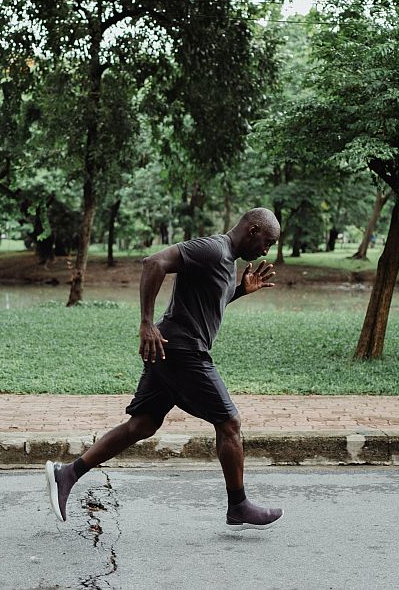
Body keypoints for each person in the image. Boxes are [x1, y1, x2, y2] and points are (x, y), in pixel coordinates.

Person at [45, 208, 284, 530]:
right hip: (182, 350)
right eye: (267, 242)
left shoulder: (227, 261)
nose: (266, 251)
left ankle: (68, 473)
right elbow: (153, 262)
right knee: (229, 424)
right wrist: (145, 322)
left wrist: (240, 290)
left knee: (142, 425)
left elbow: (205, 303)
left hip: (172, 349)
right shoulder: (213, 249)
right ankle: (238, 505)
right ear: (253, 230)